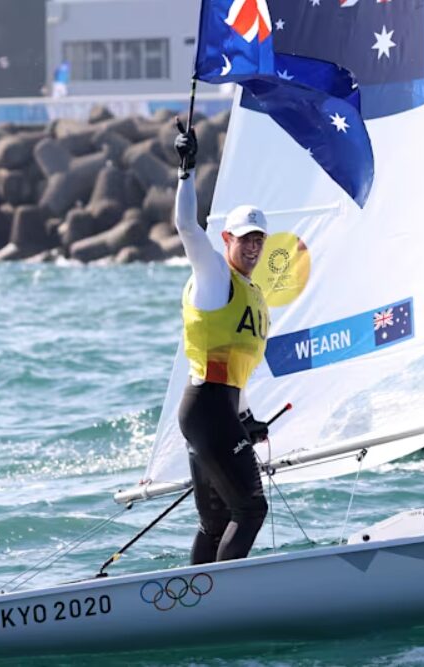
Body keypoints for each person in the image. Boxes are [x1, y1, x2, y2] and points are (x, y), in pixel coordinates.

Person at [173, 121, 271, 564]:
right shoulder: (214, 274)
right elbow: (186, 227)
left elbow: (237, 370)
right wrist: (187, 170)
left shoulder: (253, 295)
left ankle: (195, 603)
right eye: (244, 239)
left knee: (216, 524)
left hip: (219, 412)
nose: (252, 247)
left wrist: (248, 417)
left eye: (259, 240)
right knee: (250, 509)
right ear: (227, 239)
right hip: (207, 409)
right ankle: (220, 600)